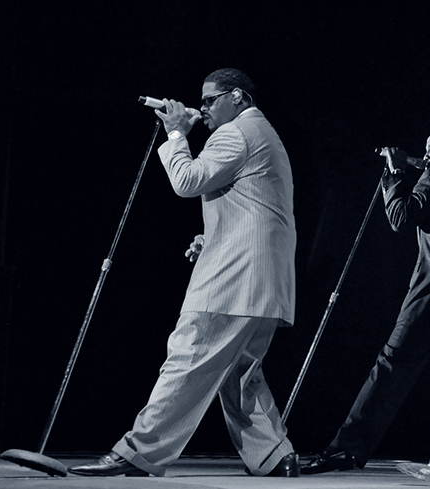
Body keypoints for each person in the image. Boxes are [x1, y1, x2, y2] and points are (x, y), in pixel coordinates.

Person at [68, 68, 299, 478]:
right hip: (264, 280)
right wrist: (210, 236)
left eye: (210, 100)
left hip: (235, 280)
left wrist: (176, 133)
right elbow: (256, 205)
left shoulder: (235, 133)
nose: (204, 108)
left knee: (187, 358)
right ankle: (274, 456)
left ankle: (139, 451)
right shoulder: (264, 134)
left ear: (239, 98)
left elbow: (187, 180)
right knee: (241, 372)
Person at [301, 126, 430, 480]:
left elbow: (401, 218)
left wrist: (396, 174)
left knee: (389, 371)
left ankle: (346, 450)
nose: (426, 155)